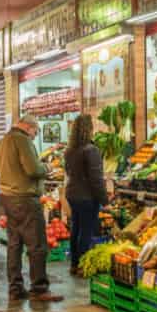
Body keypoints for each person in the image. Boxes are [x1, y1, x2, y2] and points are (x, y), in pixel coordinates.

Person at [0, 114, 57, 303]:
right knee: (37, 245)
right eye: (36, 131)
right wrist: (47, 168)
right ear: (29, 127)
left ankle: (15, 288)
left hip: (8, 198)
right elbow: (33, 169)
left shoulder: (3, 141)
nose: (35, 135)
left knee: (14, 245)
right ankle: (39, 288)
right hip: (25, 198)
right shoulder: (22, 141)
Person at [64, 112, 109, 275]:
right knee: (86, 231)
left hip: (73, 194)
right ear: (88, 129)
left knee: (76, 228)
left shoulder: (70, 150)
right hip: (87, 197)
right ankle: (83, 266)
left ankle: (74, 264)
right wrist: (105, 200)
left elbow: (68, 172)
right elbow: (96, 179)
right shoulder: (91, 150)